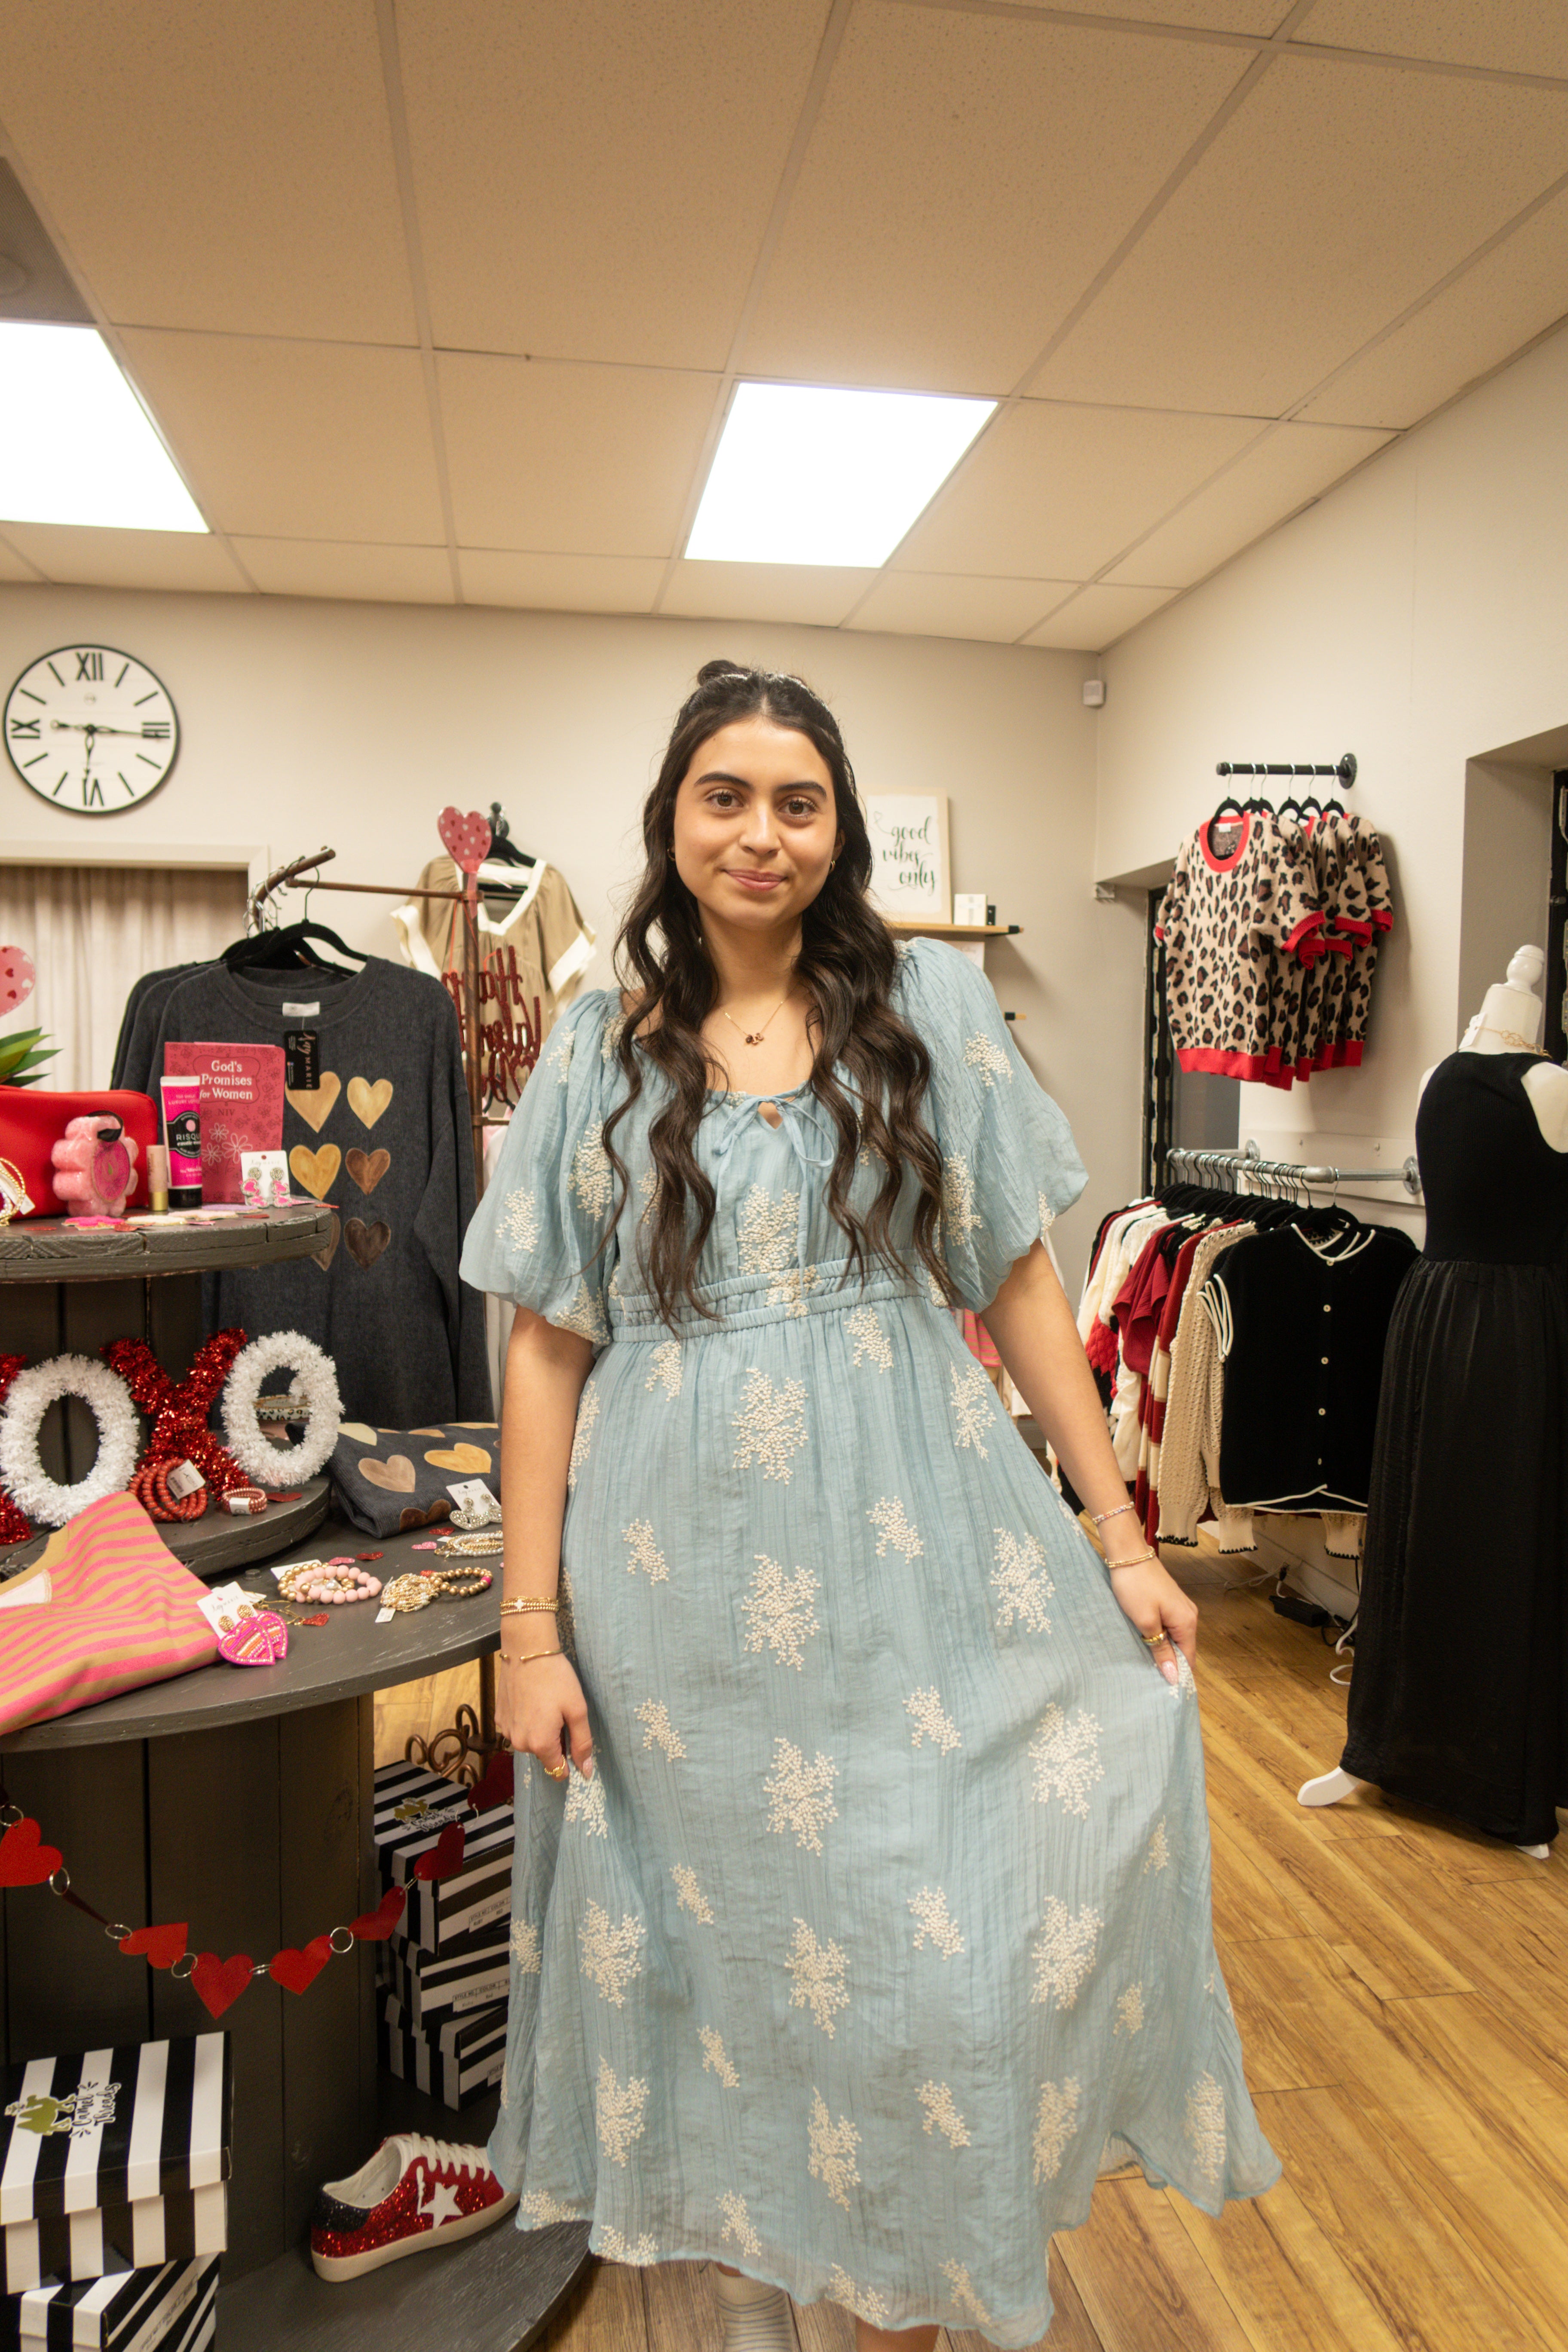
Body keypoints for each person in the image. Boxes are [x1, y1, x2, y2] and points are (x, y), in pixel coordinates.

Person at [459, 660, 1279, 2352]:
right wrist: (524, 1629)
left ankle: (926, 2275)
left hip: (923, 1543)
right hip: (668, 1578)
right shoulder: (598, 1036)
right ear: (673, 817)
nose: (762, 834)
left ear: (837, 830)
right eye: (726, 796)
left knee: (923, 1939)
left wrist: (1123, 1539)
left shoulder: (937, 1007)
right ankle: (777, 2310)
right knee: (743, 1961)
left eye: (799, 802)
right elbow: (544, 1343)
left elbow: (1027, 1285)